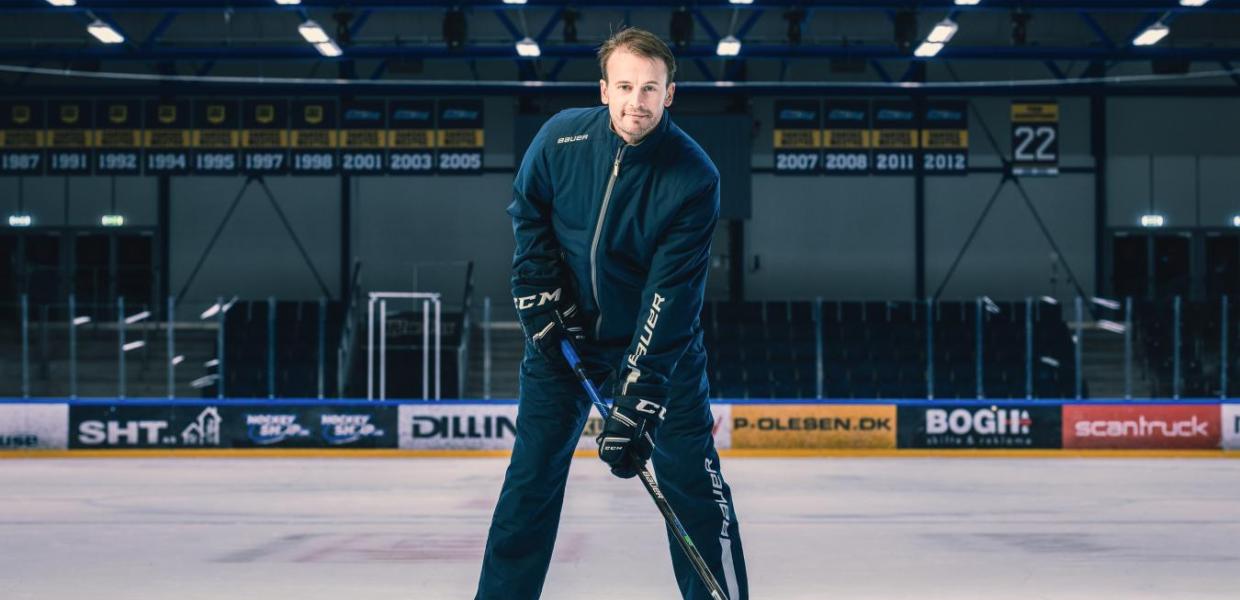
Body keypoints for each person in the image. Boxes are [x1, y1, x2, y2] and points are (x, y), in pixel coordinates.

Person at [475, 27, 748, 600]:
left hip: (653, 348)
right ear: (604, 89)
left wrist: (638, 397)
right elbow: (530, 216)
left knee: (693, 486)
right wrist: (535, 291)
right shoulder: (558, 140)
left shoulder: (693, 176)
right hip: (563, 341)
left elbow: (670, 298)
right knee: (528, 486)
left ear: (669, 94)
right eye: (625, 86)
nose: (636, 102)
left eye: (650, 88)